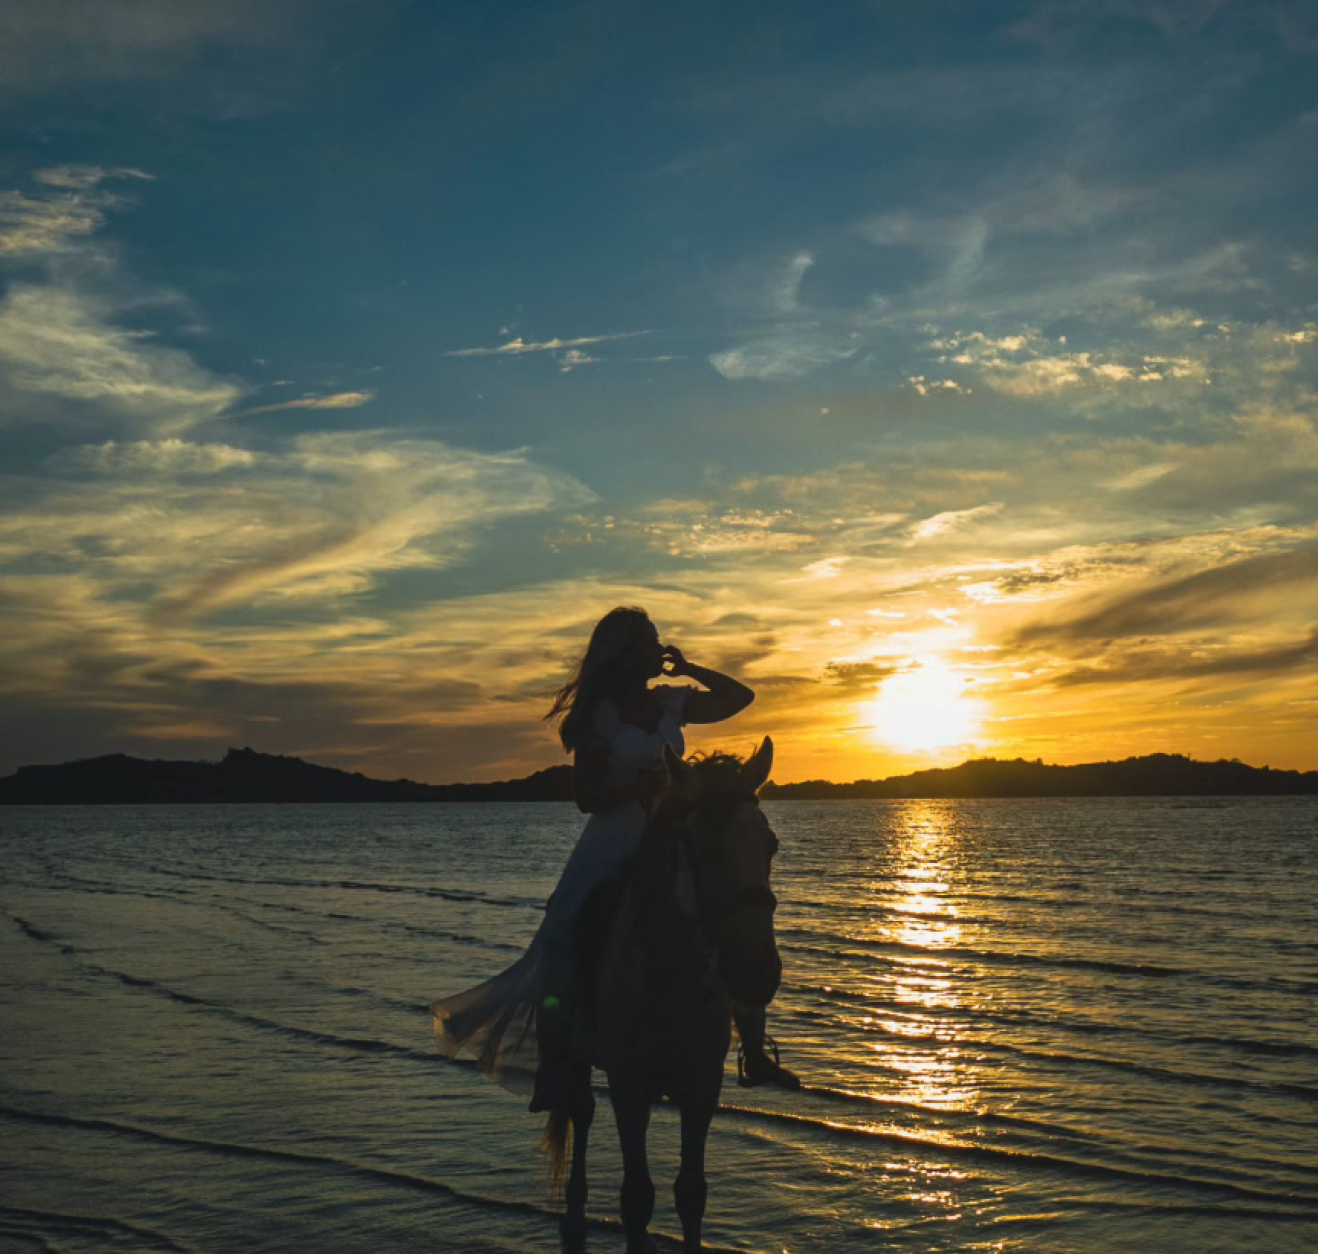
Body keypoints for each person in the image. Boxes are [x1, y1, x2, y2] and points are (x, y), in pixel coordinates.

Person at [429, 605, 798, 1107]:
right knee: (563, 930)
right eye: (649, 642)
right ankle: (559, 1063)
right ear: (625, 656)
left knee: (726, 908)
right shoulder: (599, 716)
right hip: (614, 837)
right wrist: (636, 783)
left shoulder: (670, 703)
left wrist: (688, 668)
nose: (658, 649)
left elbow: (740, 697)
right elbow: (587, 796)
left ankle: (753, 1051)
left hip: (669, 833)